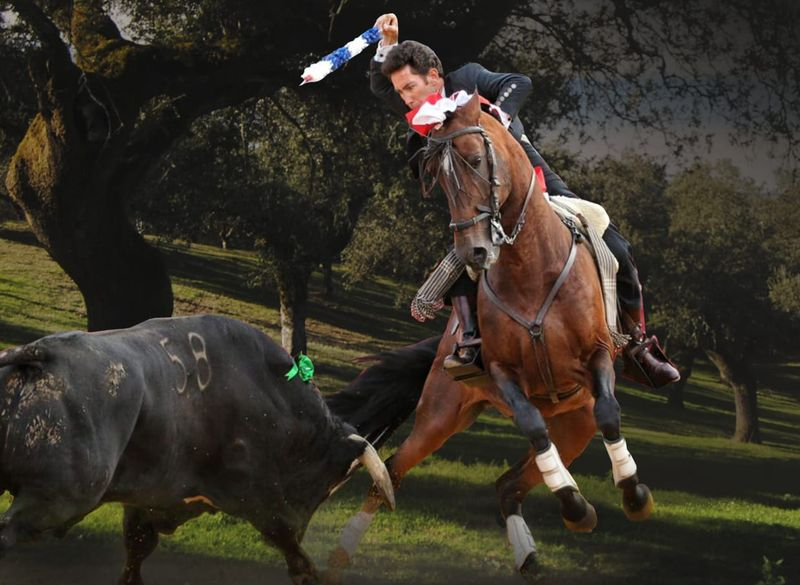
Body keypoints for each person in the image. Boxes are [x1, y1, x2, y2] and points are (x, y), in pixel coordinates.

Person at [369, 13, 679, 388]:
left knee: (616, 245)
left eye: (410, 88)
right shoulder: (420, 114)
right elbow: (379, 88)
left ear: (434, 76)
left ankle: (637, 345)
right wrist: (387, 43)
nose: (406, 98)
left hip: (533, 176)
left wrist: (496, 118)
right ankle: (470, 343)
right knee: (467, 255)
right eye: (401, 92)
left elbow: (519, 82)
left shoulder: (466, 79)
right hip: (475, 200)